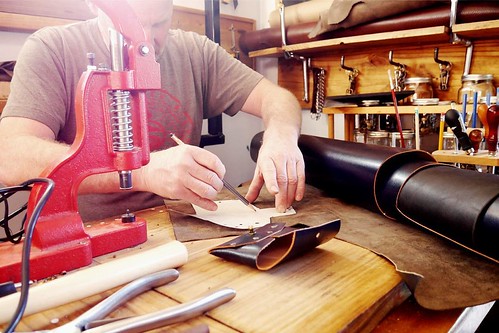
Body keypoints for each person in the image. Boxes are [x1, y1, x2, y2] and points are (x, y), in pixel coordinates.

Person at [0, 0, 305, 221]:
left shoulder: (194, 52)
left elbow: (276, 98)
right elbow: (10, 157)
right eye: (129, 26)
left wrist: (280, 137)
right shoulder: (53, 49)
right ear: (95, 5)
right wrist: (141, 172)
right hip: (87, 237)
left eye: (158, 23)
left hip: (179, 231)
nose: (145, 41)